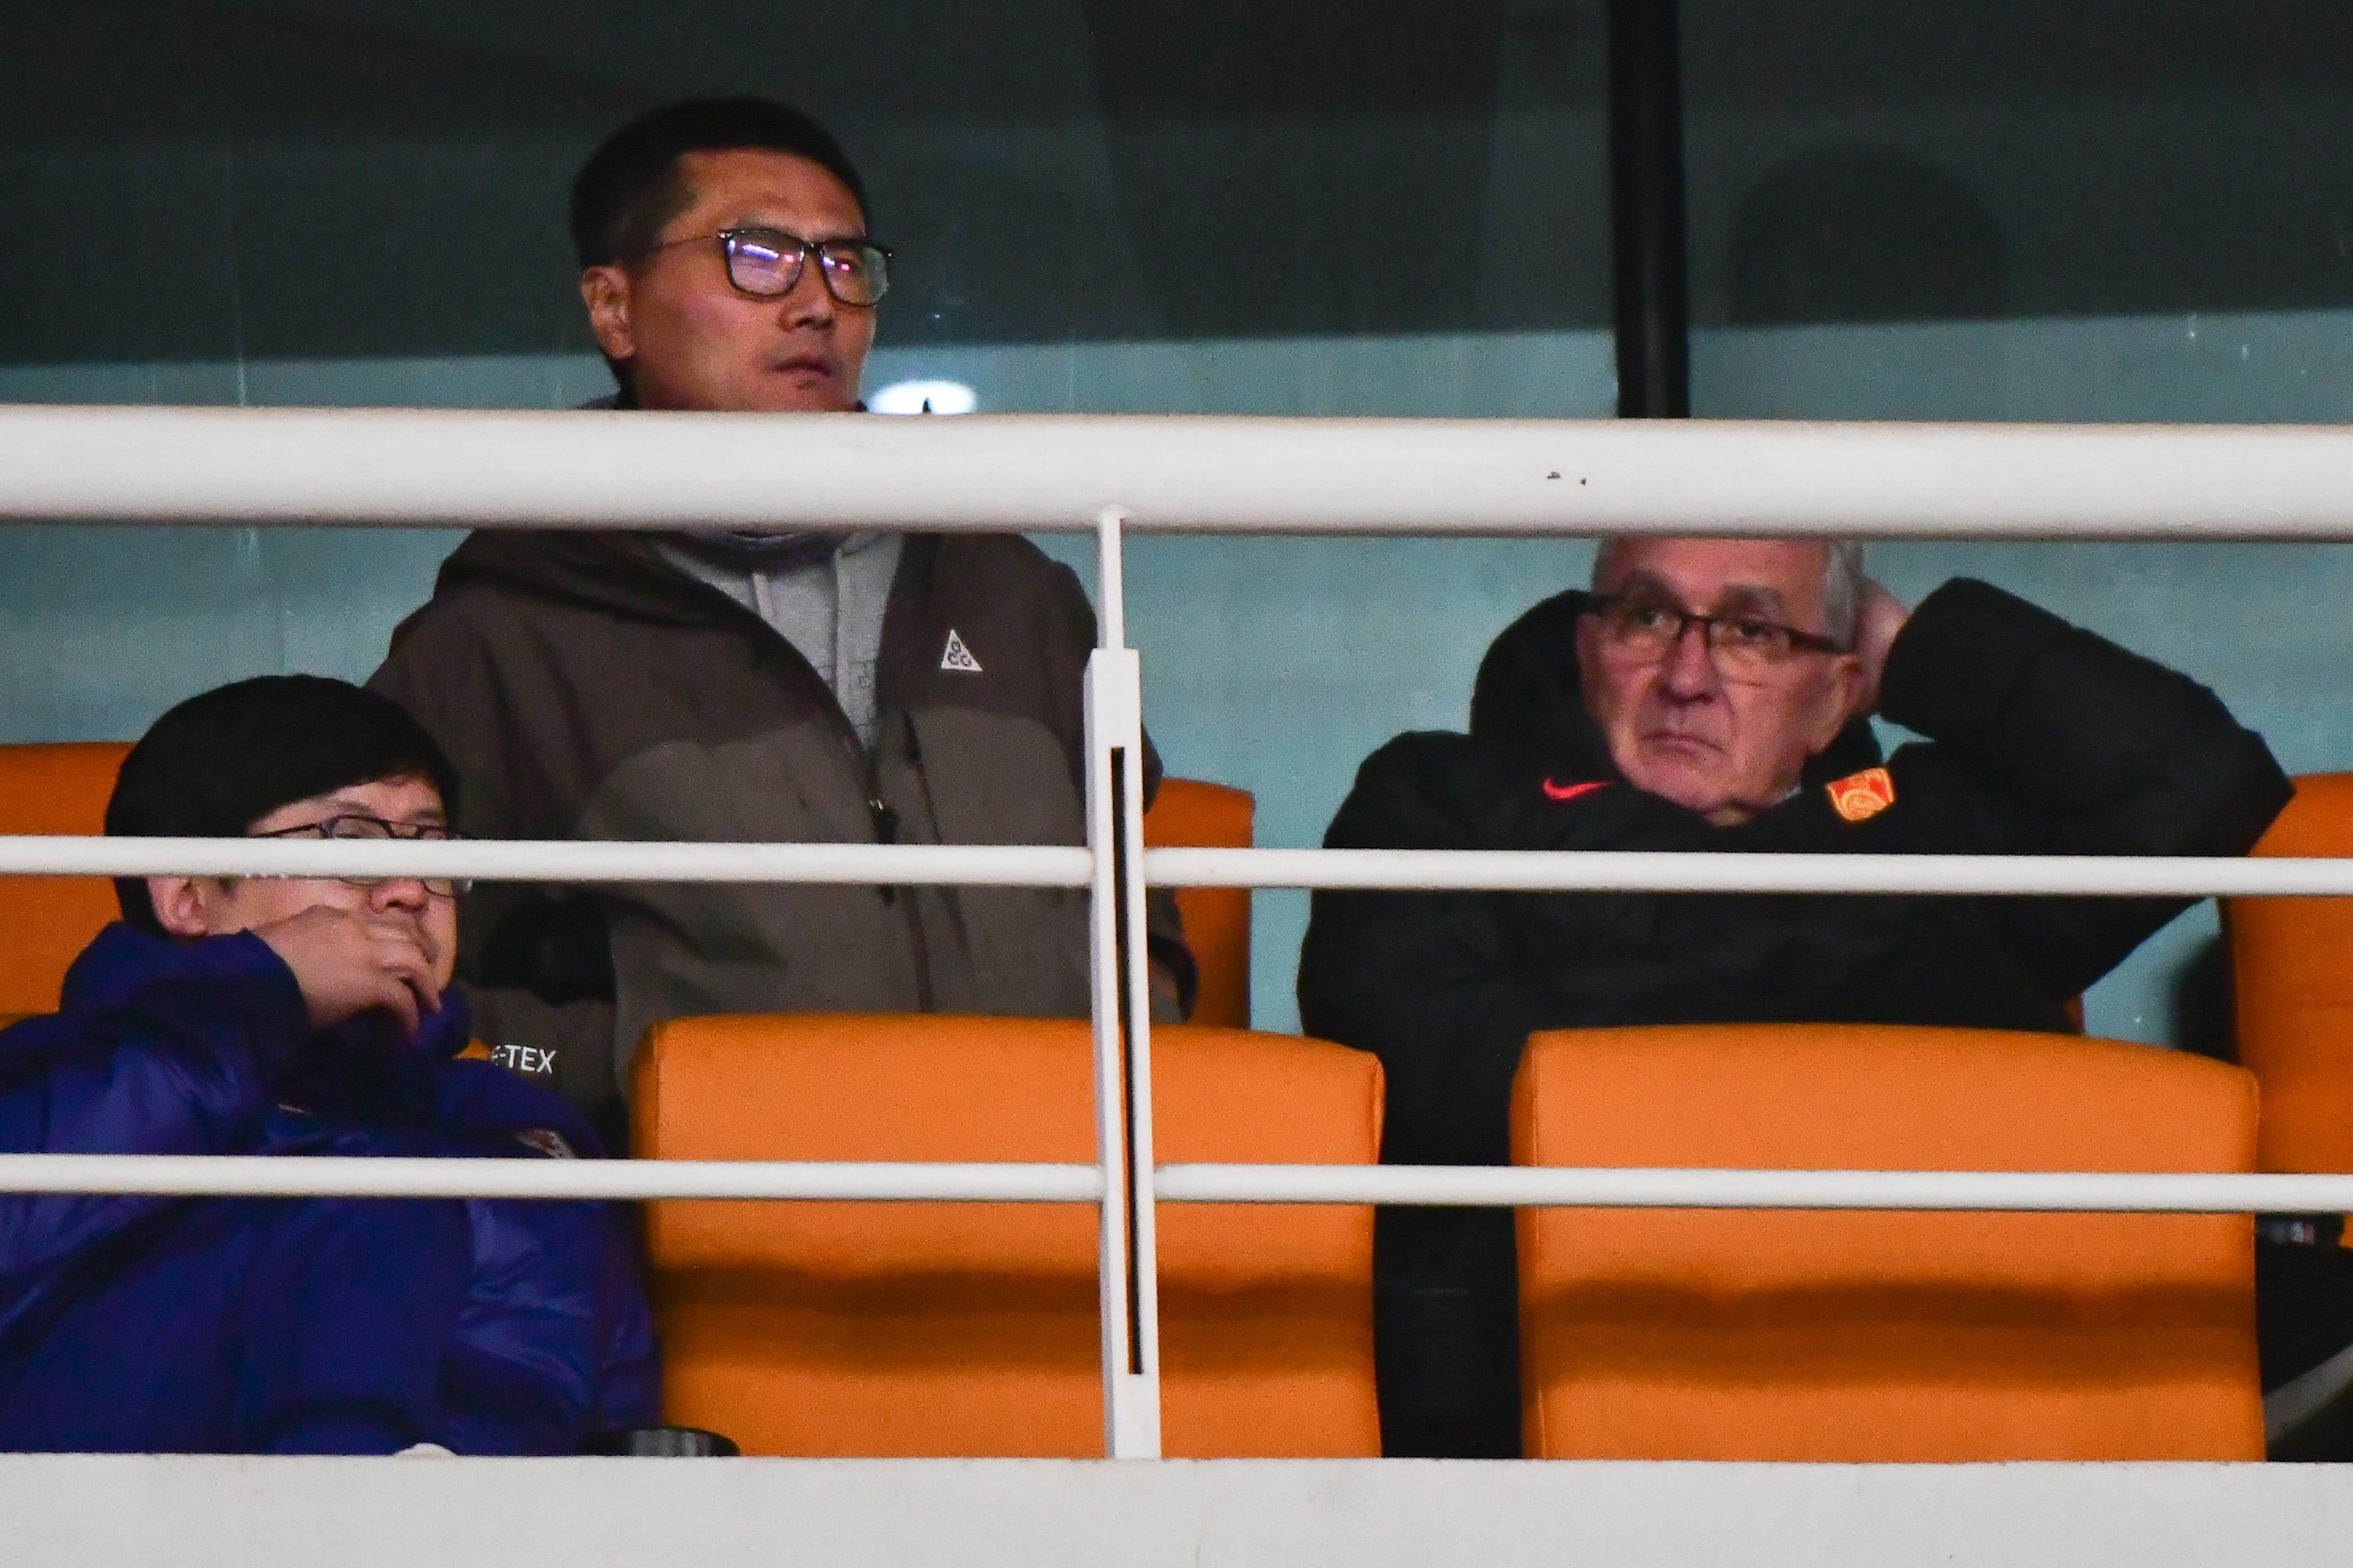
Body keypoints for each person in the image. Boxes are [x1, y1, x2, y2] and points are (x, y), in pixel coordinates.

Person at [1298, 537, 2299, 1457]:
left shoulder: (1919, 825)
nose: (1687, 678)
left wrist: (1911, 646)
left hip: (1930, 1378)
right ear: (1586, 646)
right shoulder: (1441, 795)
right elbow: (1438, 1069)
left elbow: (2206, 779)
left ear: (1836, 696)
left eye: (1753, 632)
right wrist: (1820, 973)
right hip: (1545, 1380)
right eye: (1647, 616)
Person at [369, 96, 1190, 1144]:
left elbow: (1140, 912)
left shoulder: (1008, 585)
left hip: (1060, 1201)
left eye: (847, 265)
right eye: (757, 257)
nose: (816, 304)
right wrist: (627, 1065)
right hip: (704, 1216)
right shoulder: (498, 638)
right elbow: (410, 965)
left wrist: (1140, 1024)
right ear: (614, 309)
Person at [0, 676, 658, 1454]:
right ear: (188, 895)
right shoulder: (50, 1071)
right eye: (349, 842)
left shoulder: (519, 1130)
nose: (409, 890)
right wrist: (265, 989)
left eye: (435, 852)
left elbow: (610, 1437)